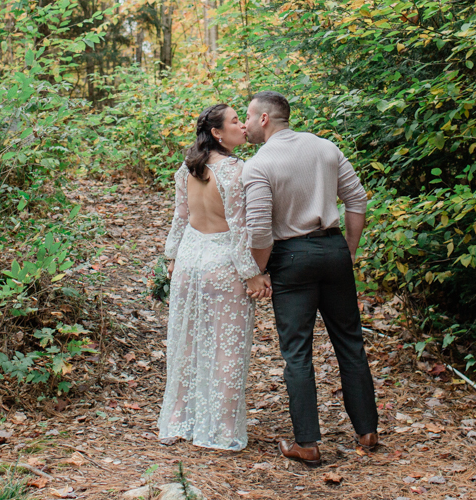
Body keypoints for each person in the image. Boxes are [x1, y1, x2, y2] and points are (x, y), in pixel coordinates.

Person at [241, 91, 379, 466]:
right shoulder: (326, 148)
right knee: (350, 342)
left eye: (249, 116)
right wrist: (348, 249)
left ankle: (307, 443)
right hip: (333, 250)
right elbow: (357, 200)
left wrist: (261, 269)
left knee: (297, 351)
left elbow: (258, 231)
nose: (245, 124)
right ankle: (367, 431)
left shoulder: (258, 164)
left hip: (290, 258)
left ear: (265, 118)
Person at [158, 103, 272, 451]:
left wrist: (171, 257)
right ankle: (220, 430)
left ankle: (181, 421)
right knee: (226, 349)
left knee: (186, 344)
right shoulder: (238, 170)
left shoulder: (188, 167)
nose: (242, 125)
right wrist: (253, 274)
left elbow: (179, 219)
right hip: (223, 264)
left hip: (190, 262)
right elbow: (241, 230)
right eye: (235, 121)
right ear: (218, 133)